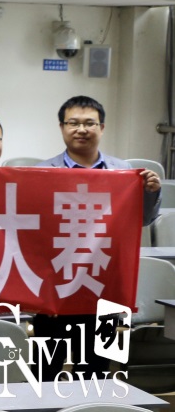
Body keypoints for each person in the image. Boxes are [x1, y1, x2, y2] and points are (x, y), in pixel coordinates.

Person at [32, 95, 162, 381]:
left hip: (105, 288)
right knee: (44, 372)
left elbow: (143, 220)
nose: (81, 129)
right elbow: (34, 238)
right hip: (56, 290)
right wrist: (42, 295)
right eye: (73, 123)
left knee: (96, 373)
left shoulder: (124, 172)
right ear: (62, 127)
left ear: (102, 128)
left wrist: (150, 192)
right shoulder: (41, 172)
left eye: (89, 123)